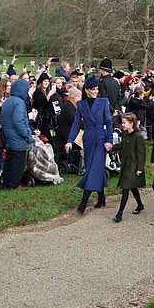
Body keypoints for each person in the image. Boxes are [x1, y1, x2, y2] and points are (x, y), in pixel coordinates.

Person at [65, 76, 114, 214]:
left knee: (93, 170)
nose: (96, 91)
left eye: (97, 89)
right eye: (93, 89)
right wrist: (70, 140)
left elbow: (109, 122)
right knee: (94, 168)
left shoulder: (103, 102)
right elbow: (76, 124)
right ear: (86, 90)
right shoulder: (81, 105)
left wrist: (109, 140)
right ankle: (101, 196)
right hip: (87, 140)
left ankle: (83, 204)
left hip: (100, 139)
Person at [0, 79, 35, 190]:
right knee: (18, 162)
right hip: (17, 136)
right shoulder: (19, 102)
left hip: (8, 134)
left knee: (9, 160)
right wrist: (27, 135)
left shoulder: (9, 100)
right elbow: (19, 121)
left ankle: (6, 183)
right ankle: (14, 184)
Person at [111, 113, 145, 223]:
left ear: (131, 123)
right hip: (126, 165)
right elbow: (122, 145)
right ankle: (140, 205)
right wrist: (111, 147)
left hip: (133, 166)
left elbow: (141, 154)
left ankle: (119, 214)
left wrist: (140, 168)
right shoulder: (126, 134)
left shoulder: (138, 136)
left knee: (125, 188)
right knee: (133, 187)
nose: (122, 125)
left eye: (124, 123)